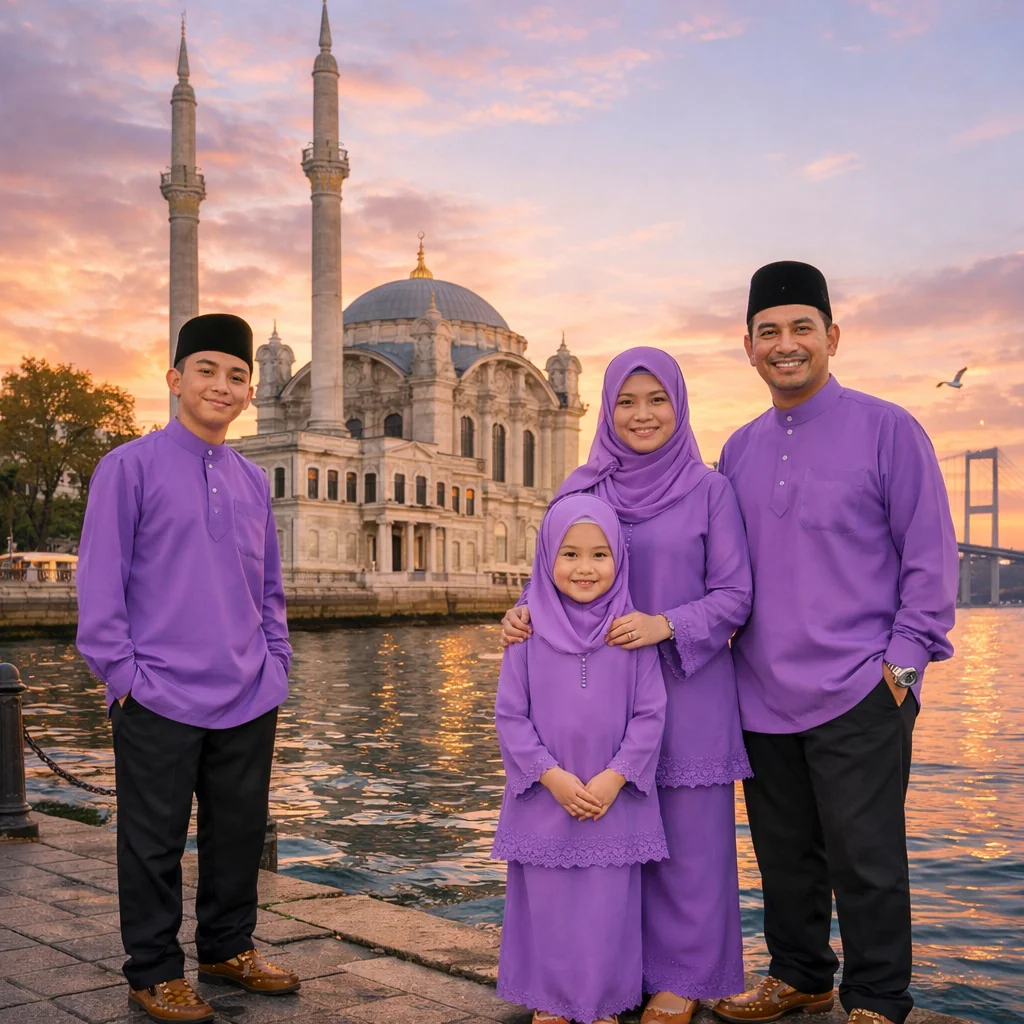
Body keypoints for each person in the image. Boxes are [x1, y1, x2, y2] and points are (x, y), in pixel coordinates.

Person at [712, 262, 958, 1024]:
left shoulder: (890, 428)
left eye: (801, 329)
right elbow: (708, 564)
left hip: (861, 688)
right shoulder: (738, 449)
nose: (786, 345)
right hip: (759, 693)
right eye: (769, 333)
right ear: (748, 348)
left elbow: (929, 556)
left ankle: (878, 999)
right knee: (783, 853)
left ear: (832, 337)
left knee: (868, 859)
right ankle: (802, 976)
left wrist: (903, 667)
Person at [503, 348, 753, 1024]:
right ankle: (611, 975)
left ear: (679, 405)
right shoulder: (582, 490)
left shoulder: (710, 491)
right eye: (626, 402)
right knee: (607, 851)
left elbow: (735, 596)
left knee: (689, 848)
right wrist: (520, 613)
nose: (642, 415)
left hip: (690, 690)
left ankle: (684, 977)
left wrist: (665, 625)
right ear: (607, 410)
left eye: (657, 400)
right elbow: (545, 575)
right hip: (594, 706)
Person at [76, 314, 299, 1023]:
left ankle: (228, 947)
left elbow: (267, 587)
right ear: (175, 379)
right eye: (207, 370)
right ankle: (153, 970)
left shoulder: (252, 479)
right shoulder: (128, 467)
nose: (222, 385)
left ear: (249, 392)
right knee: (153, 841)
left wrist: (276, 665)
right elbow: (101, 584)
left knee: (237, 832)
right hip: (158, 694)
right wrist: (125, 677)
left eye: (237, 376)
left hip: (247, 690)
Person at [493, 493, 668, 1024]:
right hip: (547, 796)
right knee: (546, 904)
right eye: (569, 554)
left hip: (613, 798)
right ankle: (551, 999)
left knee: (607, 906)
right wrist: (553, 777)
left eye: (599, 554)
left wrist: (615, 779)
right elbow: (510, 717)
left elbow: (650, 716)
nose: (585, 568)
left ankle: (601, 1001)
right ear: (547, 558)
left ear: (619, 559)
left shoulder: (630, 634)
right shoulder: (526, 634)